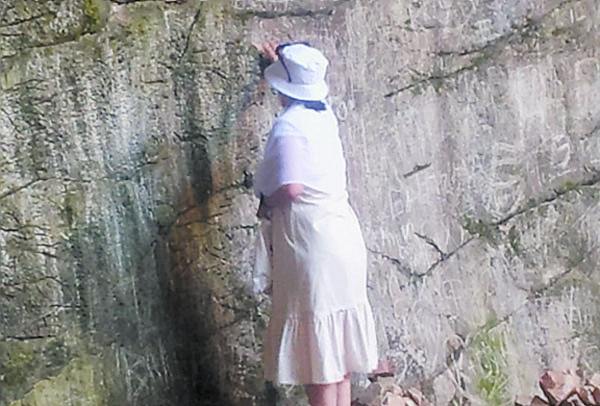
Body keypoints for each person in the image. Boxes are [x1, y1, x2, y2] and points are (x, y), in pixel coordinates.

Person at [252, 40, 378, 406]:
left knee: (319, 360)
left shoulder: (288, 126)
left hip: (312, 244)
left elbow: (291, 188)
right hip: (342, 236)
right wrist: (285, 62)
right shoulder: (324, 116)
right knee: (336, 353)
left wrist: (266, 203)